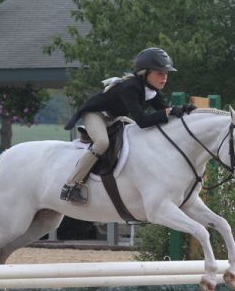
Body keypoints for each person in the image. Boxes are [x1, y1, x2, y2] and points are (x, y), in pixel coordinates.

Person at [60, 47, 196, 204]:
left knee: (138, 136)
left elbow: (163, 111)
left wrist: (181, 110)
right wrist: (169, 111)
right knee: (102, 143)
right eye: (160, 73)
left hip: (115, 117)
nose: (164, 78)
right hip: (95, 114)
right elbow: (143, 121)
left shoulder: (152, 90)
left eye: (166, 74)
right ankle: (70, 186)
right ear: (144, 73)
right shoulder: (131, 87)